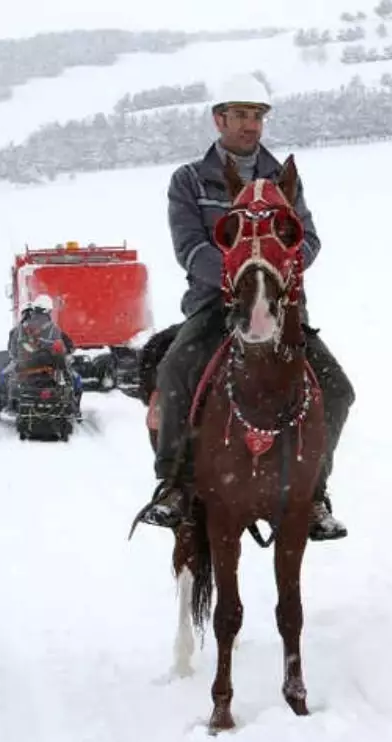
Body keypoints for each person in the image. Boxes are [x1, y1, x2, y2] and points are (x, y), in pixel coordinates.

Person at [132, 72, 355, 541]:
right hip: (216, 307)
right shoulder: (190, 180)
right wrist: (241, 273)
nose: (250, 125)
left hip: (282, 307)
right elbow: (190, 248)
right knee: (175, 369)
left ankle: (314, 493)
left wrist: (276, 269)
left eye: (257, 116)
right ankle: (172, 483)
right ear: (219, 119)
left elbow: (308, 238)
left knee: (338, 390)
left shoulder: (283, 179)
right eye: (240, 116)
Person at [0, 294, 82, 421]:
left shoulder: (20, 329)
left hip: (25, 366)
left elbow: (13, 351)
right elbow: (66, 346)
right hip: (51, 366)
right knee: (75, 379)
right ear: (48, 310)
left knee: (3, 377)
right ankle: (75, 409)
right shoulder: (53, 328)